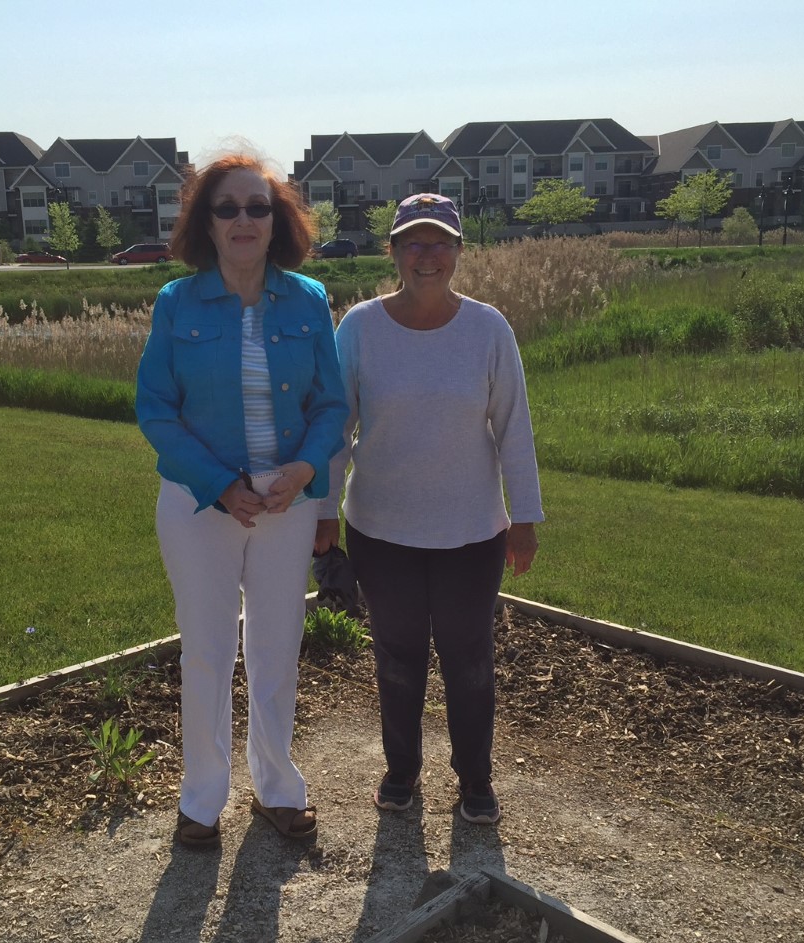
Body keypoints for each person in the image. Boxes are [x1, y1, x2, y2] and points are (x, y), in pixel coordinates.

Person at [136, 154, 348, 847]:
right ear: (207, 222)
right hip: (202, 506)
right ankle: (201, 802)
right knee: (205, 650)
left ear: (276, 219)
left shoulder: (309, 299)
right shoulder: (177, 302)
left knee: (277, 648)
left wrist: (307, 468)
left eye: (257, 207)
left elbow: (331, 403)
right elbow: (156, 411)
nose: (243, 220)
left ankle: (277, 789)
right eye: (227, 208)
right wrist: (220, 483)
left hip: (284, 506)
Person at [315, 193, 543, 825]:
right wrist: (323, 510)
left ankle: (475, 781)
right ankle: (402, 773)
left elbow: (513, 428)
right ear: (392, 252)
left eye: (440, 243)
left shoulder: (488, 329)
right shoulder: (359, 327)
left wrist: (523, 517)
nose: (427, 256)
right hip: (381, 533)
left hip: (471, 534)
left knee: (470, 661)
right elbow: (337, 426)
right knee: (398, 656)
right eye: (413, 243)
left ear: (459, 253)